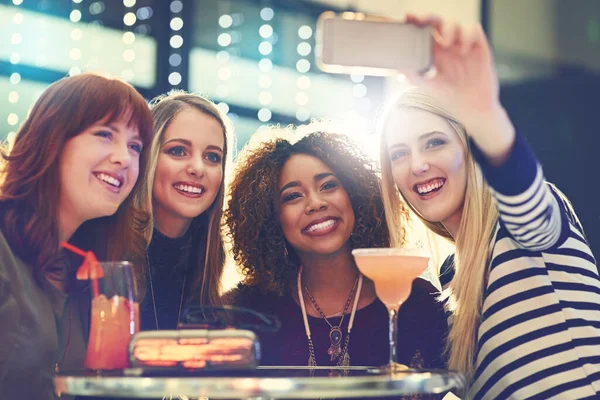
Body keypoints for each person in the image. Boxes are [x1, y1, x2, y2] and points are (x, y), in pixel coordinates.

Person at [379, 15, 600, 399]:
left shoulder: (517, 227)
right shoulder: (448, 283)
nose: (416, 165)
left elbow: (517, 179)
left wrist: (482, 111)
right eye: (399, 153)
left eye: (434, 142)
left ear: (469, 147)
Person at [223, 129, 448, 372]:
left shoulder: (419, 302)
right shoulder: (243, 310)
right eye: (293, 196)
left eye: (328, 185)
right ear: (271, 217)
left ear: (355, 195)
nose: (316, 203)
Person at [0, 73, 153, 399]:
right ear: (51, 139)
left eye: (135, 146)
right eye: (104, 134)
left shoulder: (86, 267)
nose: (124, 158)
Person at [139, 91, 232, 331]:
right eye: (178, 151)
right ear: (148, 157)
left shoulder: (210, 256)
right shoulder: (106, 248)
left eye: (212, 157)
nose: (198, 168)